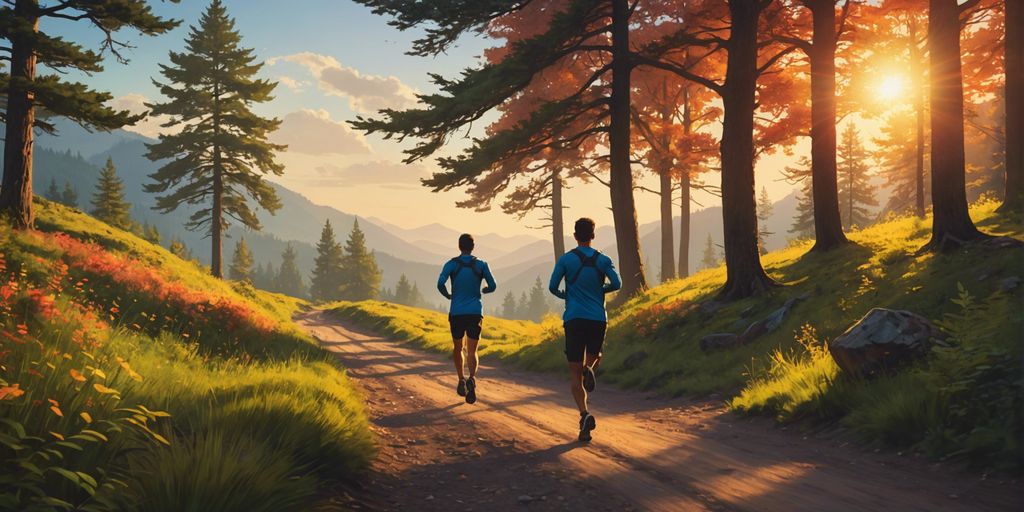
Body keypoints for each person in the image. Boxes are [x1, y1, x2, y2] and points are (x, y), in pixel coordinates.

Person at [548, 217, 621, 442]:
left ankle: (584, 414)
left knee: (574, 373)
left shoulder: (566, 260)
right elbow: (617, 283)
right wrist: (601, 289)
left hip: (574, 318)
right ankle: (590, 368)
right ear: (593, 235)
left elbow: (552, 287)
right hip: (598, 318)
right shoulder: (603, 259)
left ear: (575, 234)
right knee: (594, 356)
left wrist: (566, 294)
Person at [437, 233, 497, 404]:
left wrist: (448, 295)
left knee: (458, 348)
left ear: (459, 246)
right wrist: (484, 290)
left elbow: (440, 283)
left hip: (456, 312)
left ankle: (461, 379)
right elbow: (493, 286)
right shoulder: (481, 265)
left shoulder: (451, 264)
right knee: (472, 350)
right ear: (473, 246)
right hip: (474, 312)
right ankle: (472, 378)